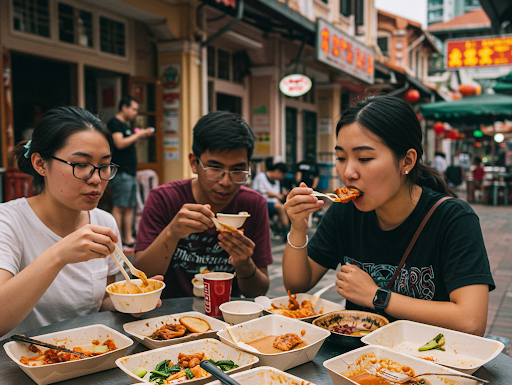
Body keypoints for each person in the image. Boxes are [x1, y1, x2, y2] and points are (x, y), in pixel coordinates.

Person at [283, 96, 493, 336]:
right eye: (341, 158)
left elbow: (471, 322)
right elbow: (297, 285)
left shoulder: (453, 219)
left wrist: (377, 296)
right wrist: (298, 227)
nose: (348, 172)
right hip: (360, 359)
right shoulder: (344, 212)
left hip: (429, 358)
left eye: (364, 159)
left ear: (407, 161)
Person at [0, 107, 122, 338]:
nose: (96, 178)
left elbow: (103, 301)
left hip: (87, 354)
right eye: (81, 165)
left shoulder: (104, 222)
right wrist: (59, 255)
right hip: (20, 365)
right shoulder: (8, 222)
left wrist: (130, 302)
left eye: (104, 166)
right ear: (40, 164)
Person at [134, 111, 272, 299]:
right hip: (168, 317)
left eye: (238, 170)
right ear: (193, 163)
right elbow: (142, 278)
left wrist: (244, 263)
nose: (225, 182)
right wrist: (172, 233)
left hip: (227, 314)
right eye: (215, 168)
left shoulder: (253, 204)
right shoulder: (164, 198)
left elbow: (258, 291)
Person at [107, 96, 153, 249]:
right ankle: (116, 240)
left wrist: (140, 137)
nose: (135, 113)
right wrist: (138, 134)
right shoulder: (115, 123)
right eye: (133, 109)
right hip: (121, 172)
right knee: (120, 206)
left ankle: (128, 238)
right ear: (124, 108)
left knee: (129, 207)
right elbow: (119, 143)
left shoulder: (126, 125)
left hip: (130, 172)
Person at [252, 161, 290, 239]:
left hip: (272, 203)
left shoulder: (277, 181)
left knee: (287, 206)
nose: (283, 177)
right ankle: (286, 232)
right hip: (261, 202)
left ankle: (281, 228)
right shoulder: (261, 177)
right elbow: (262, 192)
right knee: (281, 207)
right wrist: (277, 195)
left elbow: (276, 194)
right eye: (283, 175)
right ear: (277, 171)